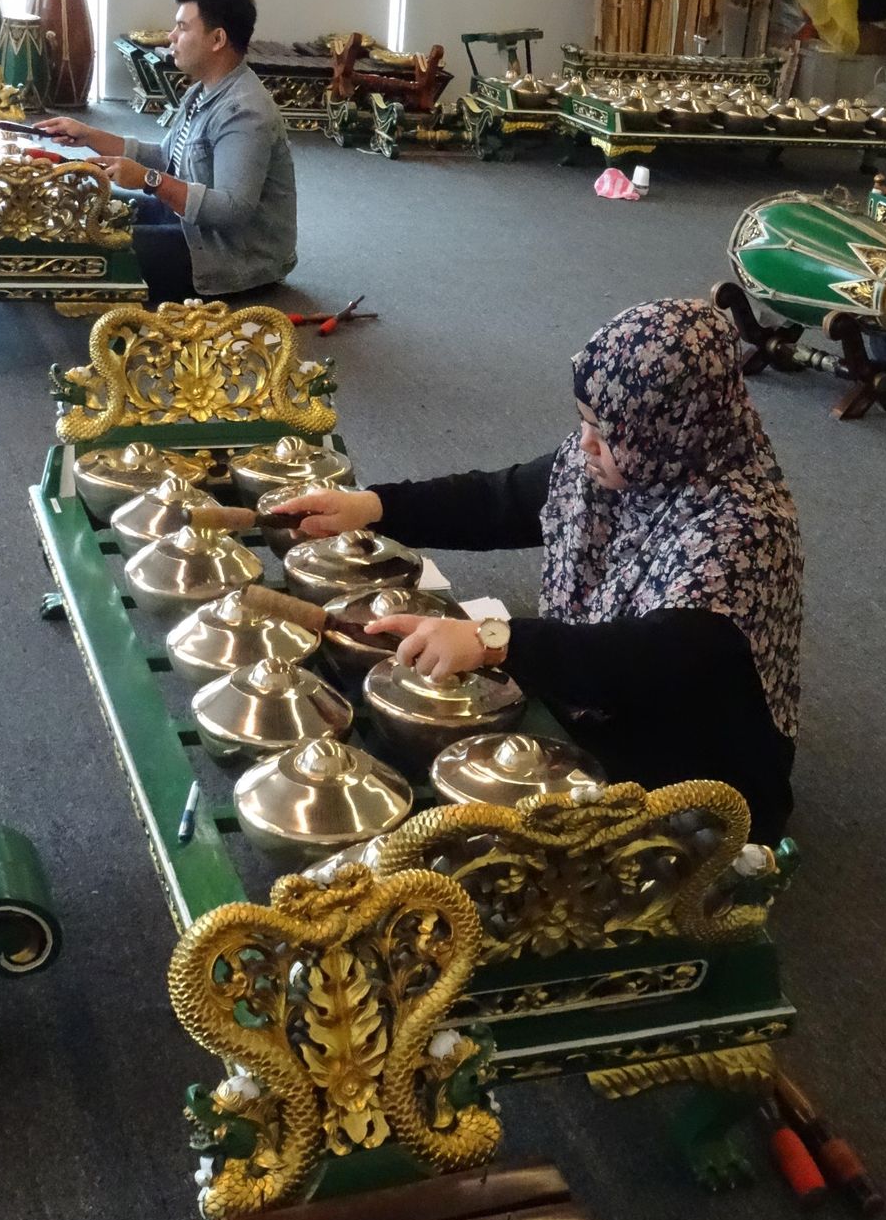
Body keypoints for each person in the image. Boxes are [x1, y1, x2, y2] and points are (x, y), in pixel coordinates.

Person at [277, 299, 803, 844]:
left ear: (669, 428)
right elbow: (498, 500)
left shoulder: (745, 530)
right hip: (603, 693)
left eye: (605, 431)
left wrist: (493, 642)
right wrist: (373, 507)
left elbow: (642, 659)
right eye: (584, 422)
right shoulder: (629, 457)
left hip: (691, 757)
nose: (585, 445)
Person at [39, 0, 296, 302]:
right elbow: (165, 156)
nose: (170, 37)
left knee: (97, 247)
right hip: (192, 227)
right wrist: (90, 135)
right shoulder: (203, 90)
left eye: (182, 28)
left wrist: (149, 181)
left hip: (228, 258)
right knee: (90, 208)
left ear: (218, 39)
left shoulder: (245, 112)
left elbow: (233, 210)